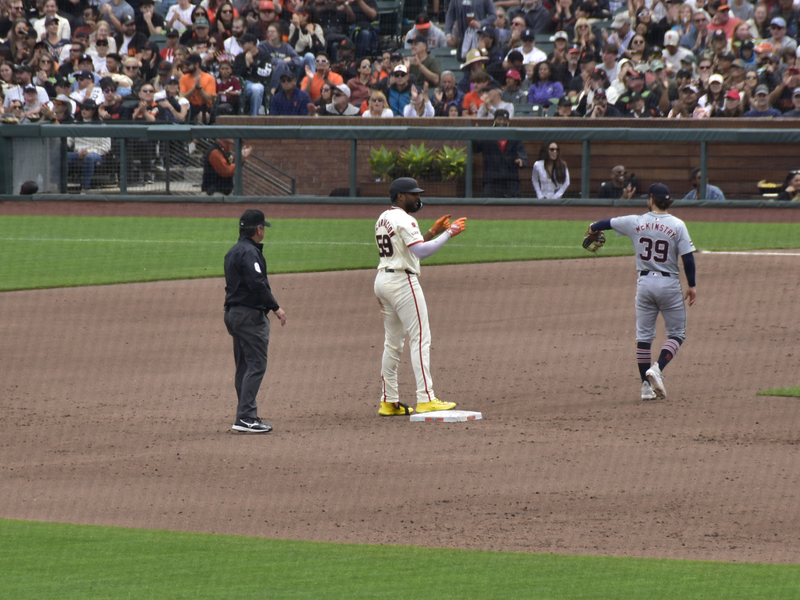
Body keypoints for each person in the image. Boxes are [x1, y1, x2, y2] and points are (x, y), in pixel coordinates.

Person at [586, 183, 697, 402]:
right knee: (677, 334)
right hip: (668, 286)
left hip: (644, 284)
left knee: (644, 337)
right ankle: (657, 368)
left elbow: (603, 224)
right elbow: (688, 259)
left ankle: (645, 389)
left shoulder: (635, 221)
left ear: (650, 199)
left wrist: (592, 228)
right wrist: (692, 285)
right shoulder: (677, 225)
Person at [373, 177, 467, 416]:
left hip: (383, 280)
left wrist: (433, 231)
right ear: (400, 196)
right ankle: (426, 398)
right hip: (402, 283)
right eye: (413, 194)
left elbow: (407, 247)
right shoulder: (405, 218)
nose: (418, 197)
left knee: (392, 343)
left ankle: (388, 401)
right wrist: (449, 234)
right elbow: (421, 252)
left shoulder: (383, 217)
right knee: (420, 337)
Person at [223, 209, 287, 433]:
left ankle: (245, 414)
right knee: (256, 364)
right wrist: (276, 307)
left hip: (233, 314)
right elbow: (257, 283)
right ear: (258, 230)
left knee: (244, 366)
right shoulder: (249, 253)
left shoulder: (232, 251)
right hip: (249, 316)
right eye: (263, 228)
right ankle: (246, 417)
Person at [474, 109, 528, 197]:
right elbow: (476, 148)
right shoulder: (487, 135)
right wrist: (475, 135)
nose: (502, 122)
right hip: (491, 180)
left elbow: (522, 153)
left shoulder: (515, 136)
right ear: (495, 120)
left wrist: (521, 160)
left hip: (510, 180)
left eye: (504, 120)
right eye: (499, 119)